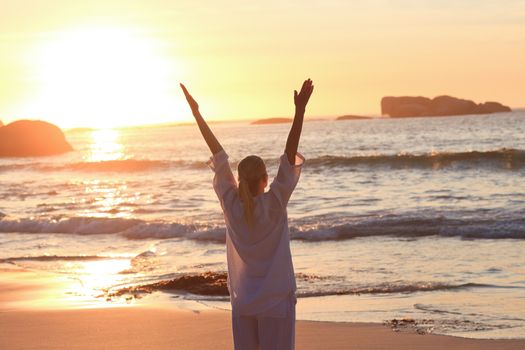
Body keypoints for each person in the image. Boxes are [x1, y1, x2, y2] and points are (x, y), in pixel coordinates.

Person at [180, 79, 314, 350]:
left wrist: (197, 113)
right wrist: (299, 112)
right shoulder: (275, 203)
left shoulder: (231, 205)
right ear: (265, 179)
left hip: (244, 303)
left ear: (239, 181)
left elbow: (217, 154)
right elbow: (288, 159)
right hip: (276, 301)